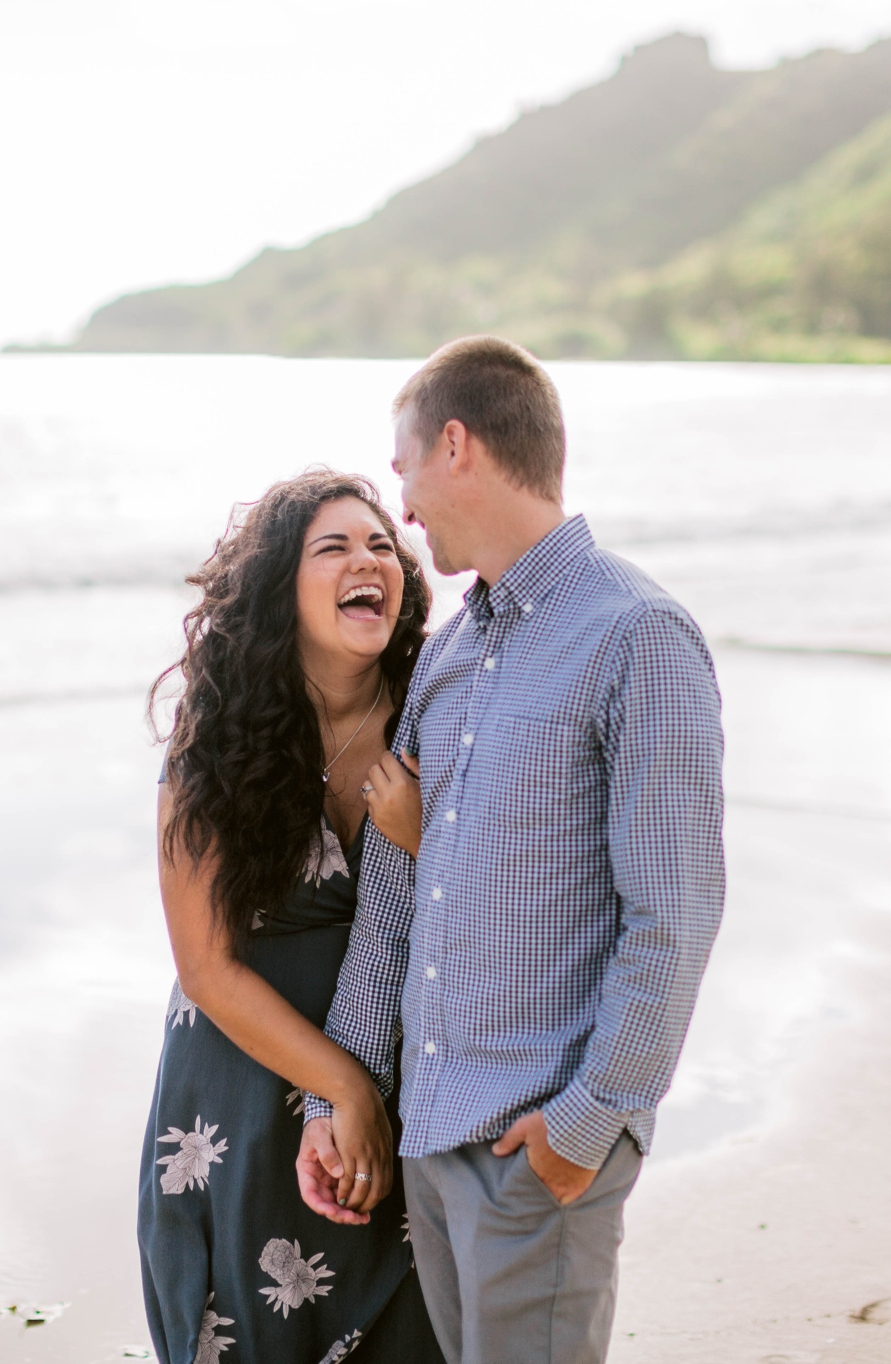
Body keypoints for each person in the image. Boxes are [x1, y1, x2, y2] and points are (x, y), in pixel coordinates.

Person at [297, 336, 727, 1364]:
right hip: (433, 1141)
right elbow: (392, 909)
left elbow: (672, 913)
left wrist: (588, 1121)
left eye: (402, 472)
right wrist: (334, 1093)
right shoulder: (446, 658)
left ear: (457, 446)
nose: (401, 510)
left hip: (538, 1141)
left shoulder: (636, 636)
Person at [138, 470, 448, 1364]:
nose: (370, 561)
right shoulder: (217, 738)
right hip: (240, 1095)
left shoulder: (441, 715)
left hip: (408, 1080)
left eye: (384, 544)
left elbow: (510, 896)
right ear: (283, 587)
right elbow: (205, 964)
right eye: (336, 547)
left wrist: (430, 840)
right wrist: (342, 1088)